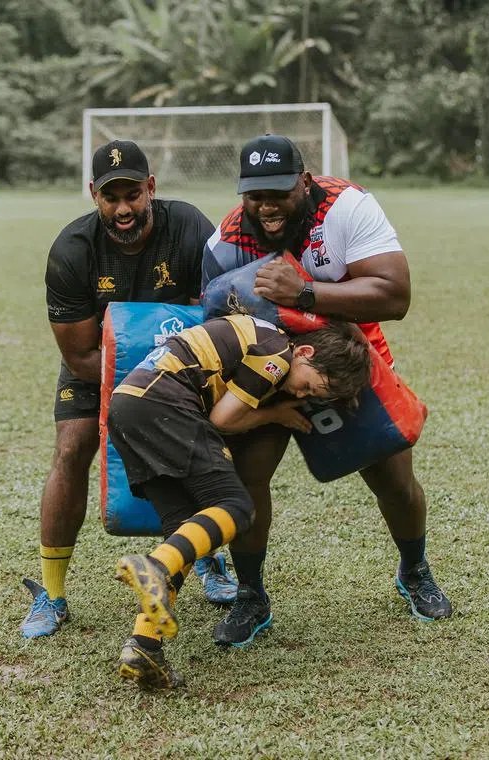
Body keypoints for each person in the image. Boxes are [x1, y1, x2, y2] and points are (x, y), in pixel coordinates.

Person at [201, 134, 455, 648]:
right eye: (255, 195)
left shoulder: (346, 208)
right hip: (267, 366)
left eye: (278, 191)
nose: (267, 206)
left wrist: (306, 293)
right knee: (248, 477)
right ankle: (251, 594)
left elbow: (395, 294)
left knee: (392, 474)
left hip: (344, 358)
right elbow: (214, 323)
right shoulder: (225, 243)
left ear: (305, 180)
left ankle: (415, 569)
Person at [20, 140, 238, 639]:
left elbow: (216, 316)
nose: (124, 208)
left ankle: (205, 560)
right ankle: (52, 594)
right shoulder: (72, 250)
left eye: (133, 194)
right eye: (111, 197)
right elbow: (77, 354)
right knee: (71, 451)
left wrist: (170, 390)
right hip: (98, 366)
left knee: (201, 447)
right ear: (94, 194)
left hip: (181, 368)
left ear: (151, 189)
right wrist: (135, 393)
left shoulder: (187, 227)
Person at [108, 315, 372, 688]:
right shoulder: (277, 352)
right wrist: (274, 414)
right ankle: (152, 565)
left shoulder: (267, 344)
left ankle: (144, 646)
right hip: (166, 403)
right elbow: (224, 418)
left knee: (184, 532)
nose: (301, 396)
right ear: (307, 352)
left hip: (128, 406)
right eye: (311, 386)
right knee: (237, 506)